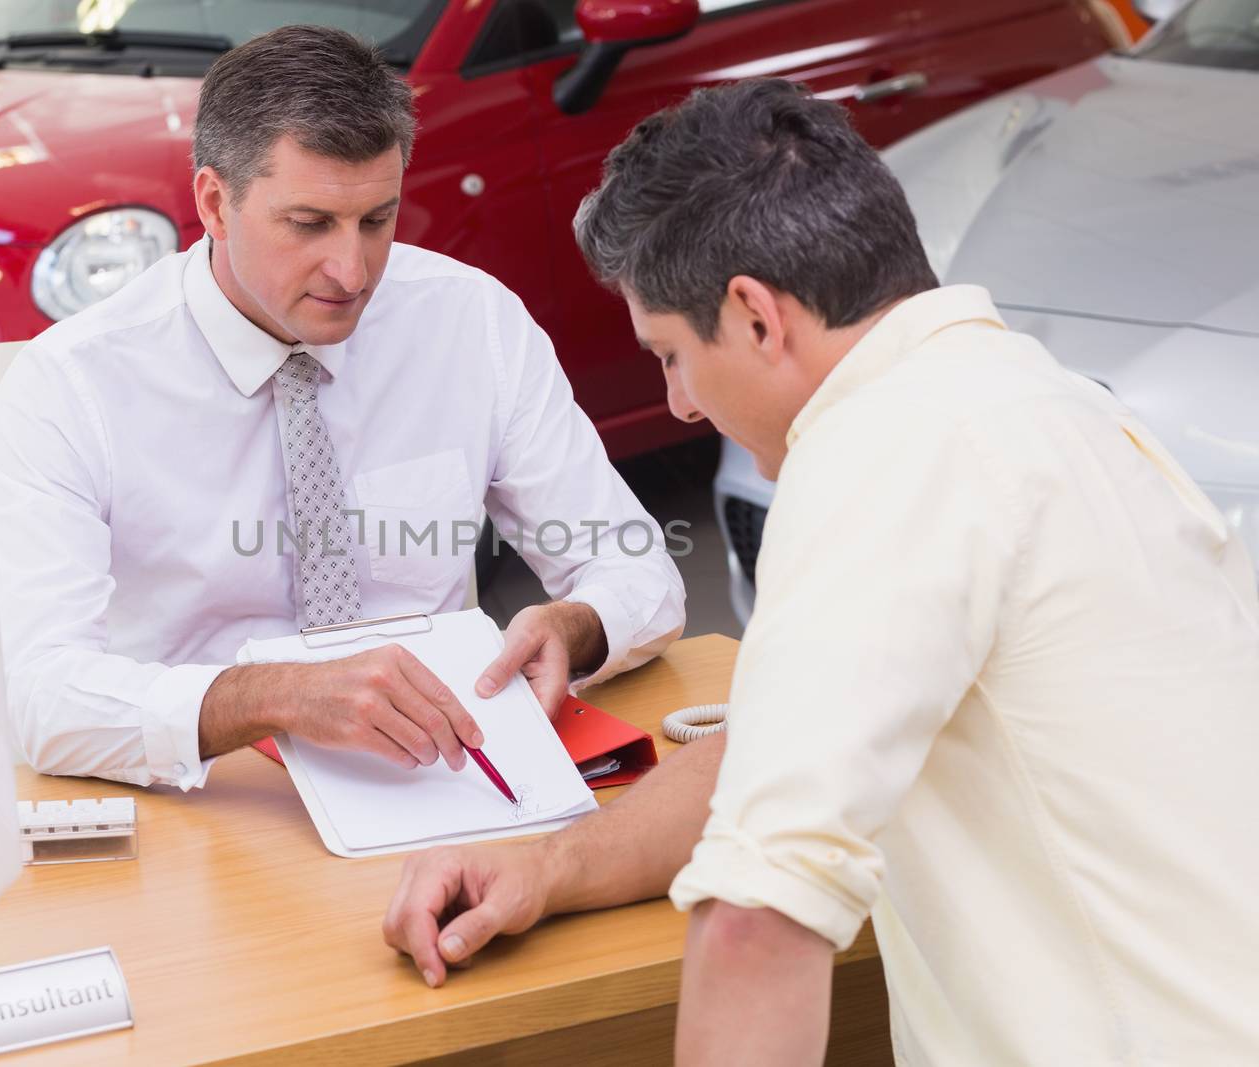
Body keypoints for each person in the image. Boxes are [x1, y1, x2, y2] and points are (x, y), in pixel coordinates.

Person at [382, 79, 1259, 1065]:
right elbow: (774, 748)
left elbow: (758, 919)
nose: (675, 405)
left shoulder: (878, 454)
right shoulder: (1045, 406)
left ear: (755, 316)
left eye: (670, 354)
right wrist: (550, 868)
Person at [0, 25, 684, 792]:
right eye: (309, 224)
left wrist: (575, 628)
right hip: (210, 801)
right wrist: (273, 695)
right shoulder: (71, 385)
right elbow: (42, 696)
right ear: (215, 203)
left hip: (438, 780)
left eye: (377, 220)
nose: (352, 271)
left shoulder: (471, 322)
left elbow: (637, 571)